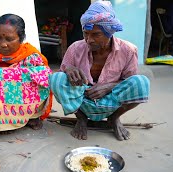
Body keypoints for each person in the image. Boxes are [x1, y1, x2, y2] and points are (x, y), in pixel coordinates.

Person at [49, 1, 150, 141]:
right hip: (82, 99)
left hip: (111, 100)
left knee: (141, 82)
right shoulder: (75, 48)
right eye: (85, 33)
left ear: (109, 32)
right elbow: (62, 79)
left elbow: (129, 82)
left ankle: (114, 119)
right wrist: (68, 70)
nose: (89, 40)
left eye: (96, 34)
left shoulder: (128, 50)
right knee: (56, 78)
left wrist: (108, 87)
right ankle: (81, 119)